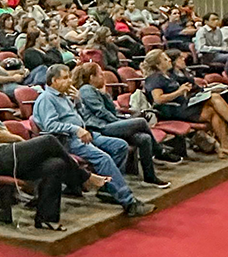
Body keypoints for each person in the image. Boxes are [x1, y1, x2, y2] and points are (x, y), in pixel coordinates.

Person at [0, 79, 104, 229]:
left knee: (55, 164)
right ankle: (83, 177)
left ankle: (46, 218)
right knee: (48, 140)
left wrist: (8, 136)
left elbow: (1, 133)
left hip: (6, 155)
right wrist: (16, 138)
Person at [33, 65, 154, 216]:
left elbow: (80, 116)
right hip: (65, 141)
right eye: (65, 78)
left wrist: (77, 102)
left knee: (120, 146)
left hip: (84, 135)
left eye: (69, 77)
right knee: (103, 158)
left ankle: (108, 189)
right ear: (54, 81)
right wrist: (76, 129)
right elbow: (50, 125)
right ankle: (128, 202)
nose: (70, 81)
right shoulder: (46, 99)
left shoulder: (64, 97)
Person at [140, 49, 228, 159]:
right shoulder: (154, 79)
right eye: (165, 59)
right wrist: (179, 91)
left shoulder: (167, 75)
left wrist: (184, 91)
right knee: (214, 97)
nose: (169, 60)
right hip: (171, 110)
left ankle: (226, 146)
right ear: (158, 64)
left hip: (183, 105)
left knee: (214, 111)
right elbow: (158, 99)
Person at [71, 64, 170, 187]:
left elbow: (111, 109)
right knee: (141, 122)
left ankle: (149, 176)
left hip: (108, 124)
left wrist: (104, 93)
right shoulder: (86, 89)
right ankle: (159, 151)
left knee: (145, 138)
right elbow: (100, 112)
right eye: (100, 74)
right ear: (91, 77)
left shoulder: (95, 90)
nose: (103, 77)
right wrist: (118, 121)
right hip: (100, 127)